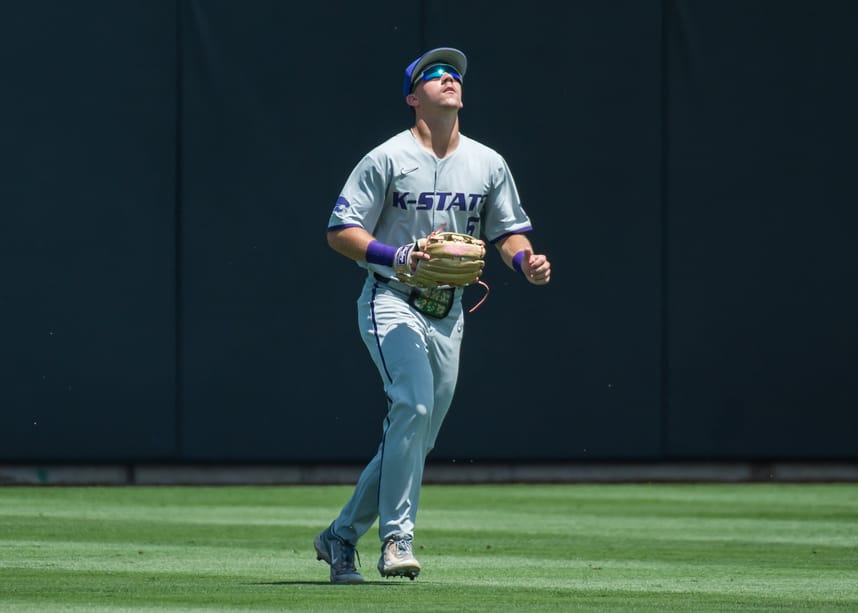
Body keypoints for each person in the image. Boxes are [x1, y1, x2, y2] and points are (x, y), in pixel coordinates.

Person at [315, 46, 551, 584]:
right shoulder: (386, 158)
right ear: (412, 97)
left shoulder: (487, 162)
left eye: (455, 75)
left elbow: (507, 230)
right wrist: (394, 255)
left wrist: (525, 261)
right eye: (434, 75)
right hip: (391, 298)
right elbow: (339, 231)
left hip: (449, 312)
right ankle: (397, 538)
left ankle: (340, 536)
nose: (449, 79)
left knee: (415, 432)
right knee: (413, 407)